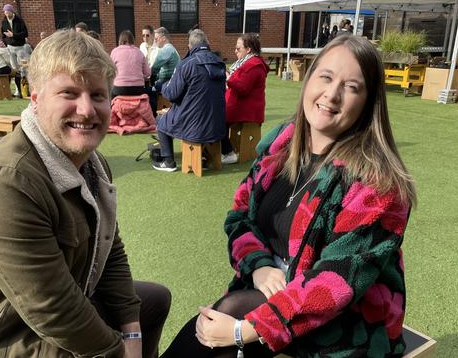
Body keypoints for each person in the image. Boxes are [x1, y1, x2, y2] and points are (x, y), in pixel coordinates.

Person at [160, 35, 417, 358]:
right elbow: (239, 215)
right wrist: (259, 266)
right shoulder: (282, 143)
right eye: (325, 77)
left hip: (345, 323)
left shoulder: (378, 185)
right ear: (309, 80)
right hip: (273, 291)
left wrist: (243, 331)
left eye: (351, 87)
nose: (332, 95)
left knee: (227, 324)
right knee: (215, 324)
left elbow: (336, 284)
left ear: (368, 102)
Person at [0, 29, 171, 358]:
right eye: (69, 93)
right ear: (36, 99)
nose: (86, 110)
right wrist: (118, 351)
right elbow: (53, 310)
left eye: (98, 95)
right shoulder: (3, 182)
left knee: (151, 302)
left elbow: (109, 247)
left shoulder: (91, 163)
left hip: (55, 304)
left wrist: (132, 331)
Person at [151, 29, 225, 172]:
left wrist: (163, 85)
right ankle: (204, 156)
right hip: (217, 124)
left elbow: (172, 94)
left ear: (190, 46)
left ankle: (168, 161)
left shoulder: (187, 64)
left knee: (161, 120)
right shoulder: (219, 62)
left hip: (193, 124)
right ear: (207, 43)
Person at [220, 33, 268, 165]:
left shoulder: (254, 65)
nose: (235, 51)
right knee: (214, 118)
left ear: (248, 50)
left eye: (238, 48)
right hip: (240, 105)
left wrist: (228, 78)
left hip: (247, 109)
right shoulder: (247, 63)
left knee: (216, 121)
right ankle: (224, 150)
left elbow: (243, 88)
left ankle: (228, 152)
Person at [110, 30, 150, 98]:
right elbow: (148, 73)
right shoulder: (139, 52)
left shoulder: (115, 51)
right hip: (138, 88)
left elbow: (110, 70)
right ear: (132, 40)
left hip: (119, 88)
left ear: (120, 40)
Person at [1, 3, 28, 96]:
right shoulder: (4, 22)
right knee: (14, 69)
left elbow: (25, 34)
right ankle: (18, 91)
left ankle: (26, 89)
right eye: (5, 11)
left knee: (24, 68)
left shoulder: (19, 20)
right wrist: (6, 42)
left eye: (7, 11)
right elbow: (3, 35)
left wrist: (13, 35)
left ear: (11, 11)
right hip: (10, 48)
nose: (6, 13)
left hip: (20, 47)